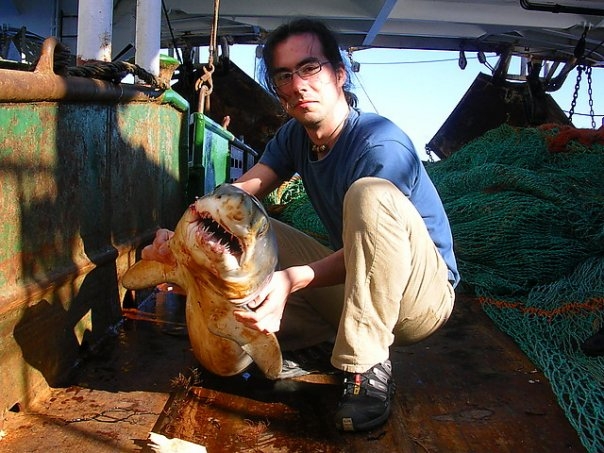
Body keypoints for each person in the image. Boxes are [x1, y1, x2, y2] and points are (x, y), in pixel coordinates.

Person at [144, 18, 459, 432]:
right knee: (254, 229)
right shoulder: (295, 137)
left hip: (419, 300)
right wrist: (183, 238)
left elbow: (380, 249)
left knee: (370, 195)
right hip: (359, 286)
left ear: (339, 74)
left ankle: (366, 364)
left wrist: (293, 278)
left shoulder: (380, 143)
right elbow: (239, 195)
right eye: (284, 75)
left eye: (311, 68)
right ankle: (305, 343)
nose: (298, 85)